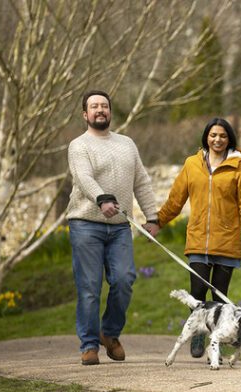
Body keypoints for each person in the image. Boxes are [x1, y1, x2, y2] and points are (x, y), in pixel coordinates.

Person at [67, 90, 160, 366]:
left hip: (120, 226)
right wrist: (101, 198)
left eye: (104, 106)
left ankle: (110, 333)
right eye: (94, 106)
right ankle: (88, 344)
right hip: (86, 224)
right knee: (89, 287)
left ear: (110, 112)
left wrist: (152, 216)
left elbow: (141, 181)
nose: (100, 110)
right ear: (85, 114)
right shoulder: (78, 145)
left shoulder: (127, 144)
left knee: (124, 280)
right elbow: (83, 176)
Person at [157, 117, 241, 359]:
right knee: (198, 291)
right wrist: (157, 222)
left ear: (229, 139)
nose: (217, 140)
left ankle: (216, 343)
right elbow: (175, 199)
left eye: (223, 136)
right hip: (198, 240)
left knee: (220, 299)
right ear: (206, 137)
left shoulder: (238, 165)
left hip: (227, 241)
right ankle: (199, 334)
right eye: (213, 135)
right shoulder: (192, 164)